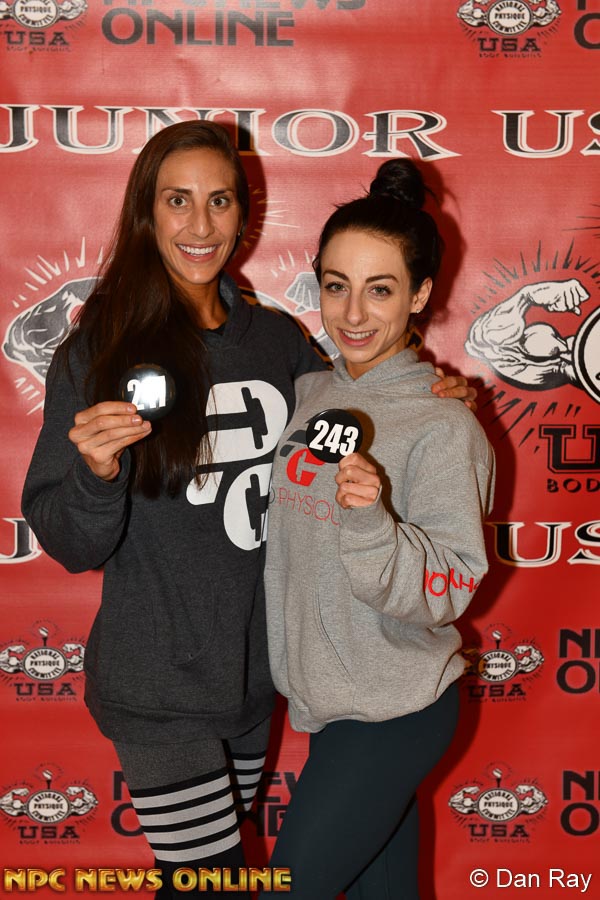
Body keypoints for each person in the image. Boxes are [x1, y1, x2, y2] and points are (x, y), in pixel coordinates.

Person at [21, 121, 476, 896]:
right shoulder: (99, 348)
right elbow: (69, 541)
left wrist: (436, 390)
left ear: (244, 213)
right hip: (160, 687)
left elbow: (361, 387)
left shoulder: (277, 341)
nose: (200, 224)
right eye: (178, 200)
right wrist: (97, 474)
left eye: (220, 200)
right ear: (145, 211)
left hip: (254, 683)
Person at [265, 158, 495, 898]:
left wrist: (370, 524)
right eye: (337, 286)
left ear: (421, 295)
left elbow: (448, 587)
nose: (354, 313)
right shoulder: (309, 391)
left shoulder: (442, 425)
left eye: (381, 289)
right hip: (332, 702)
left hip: (396, 708)